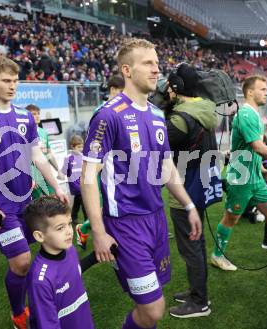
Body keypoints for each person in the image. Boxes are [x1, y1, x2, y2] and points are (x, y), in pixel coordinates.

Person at [81, 38, 202, 329]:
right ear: (127, 70)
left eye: (157, 64)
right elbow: (87, 177)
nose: (156, 70)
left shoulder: (158, 115)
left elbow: (165, 167)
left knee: (152, 304)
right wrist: (98, 231)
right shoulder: (108, 115)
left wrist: (188, 204)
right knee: (153, 309)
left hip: (157, 220)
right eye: (148, 63)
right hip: (126, 225)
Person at [0, 56, 68, 328]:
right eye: (6, 81)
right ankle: (19, 311)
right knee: (21, 261)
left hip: (26, 199)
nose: (12, 86)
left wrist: (56, 185)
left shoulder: (23, 116)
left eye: (15, 81)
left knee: (39, 252)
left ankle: (41, 301)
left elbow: (37, 156)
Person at [211, 75, 267, 271]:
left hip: (255, 178)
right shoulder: (246, 115)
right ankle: (217, 256)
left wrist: (262, 170)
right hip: (241, 178)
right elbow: (258, 147)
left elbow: (249, 150)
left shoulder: (254, 115)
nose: (266, 93)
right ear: (250, 92)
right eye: (262, 89)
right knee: (231, 218)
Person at [165, 63, 220, 318]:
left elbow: (156, 144)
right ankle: (198, 293)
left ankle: (199, 302)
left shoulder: (180, 118)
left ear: (176, 87)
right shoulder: (205, 109)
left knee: (191, 247)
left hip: (184, 189)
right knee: (197, 243)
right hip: (200, 183)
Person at [24, 196, 94, 329]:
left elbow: (73, 272)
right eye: (60, 228)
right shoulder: (40, 280)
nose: (69, 231)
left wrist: (95, 257)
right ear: (40, 236)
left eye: (69, 223)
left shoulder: (70, 250)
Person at [75, 73, 126, 248]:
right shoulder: (103, 111)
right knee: (104, 206)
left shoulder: (121, 109)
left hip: (116, 167)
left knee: (108, 207)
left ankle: (86, 228)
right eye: (122, 91)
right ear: (113, 89)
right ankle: (85, 228)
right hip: (102, 167)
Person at [26, 104, 64, 199]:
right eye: (34, 114)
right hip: (34, 173)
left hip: (46, 171)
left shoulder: (43, 132)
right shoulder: (24, 133)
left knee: (54, 198)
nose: (37, 116)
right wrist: (31, 176)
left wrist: (58, 170)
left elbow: (49, 153)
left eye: (38, 113)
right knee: (38, 204)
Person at [61, 135, 89, 248]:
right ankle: (87, 220)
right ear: (72, 147)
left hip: (83, 184)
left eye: (82, 147)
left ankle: (74, 216)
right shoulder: (68, 158)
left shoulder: (83, 157)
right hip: (74, 185)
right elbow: (64, 170)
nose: (81, 149)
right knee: (83, 202)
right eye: (78, 147)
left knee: (79, 201)